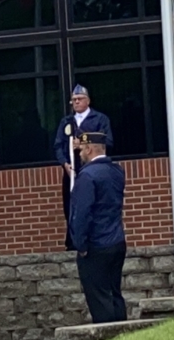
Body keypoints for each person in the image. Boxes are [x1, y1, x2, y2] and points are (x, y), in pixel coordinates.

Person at [67, 133, 127, 324]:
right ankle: (124, 336)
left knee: (99, 298)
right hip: (117, 240)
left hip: (95, 245)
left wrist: (80, 244)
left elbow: (82, 213)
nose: (81, 154)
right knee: (115, 292)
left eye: (82, 149)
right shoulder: (117, 171)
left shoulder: (87, 175)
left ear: (90, 149)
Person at [54, 84, 113, 250]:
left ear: (88, 101)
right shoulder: (67, 121)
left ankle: (91, 237)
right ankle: (72, 239)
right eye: (74, 100)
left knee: (92, 201)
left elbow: (107, 141)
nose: (76, 102)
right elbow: (58, 145)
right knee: (70, 203)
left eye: (80, 99)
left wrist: (84, 142)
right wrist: (64, 163)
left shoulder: (99, 119)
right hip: (71, 170)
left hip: (93, 169)